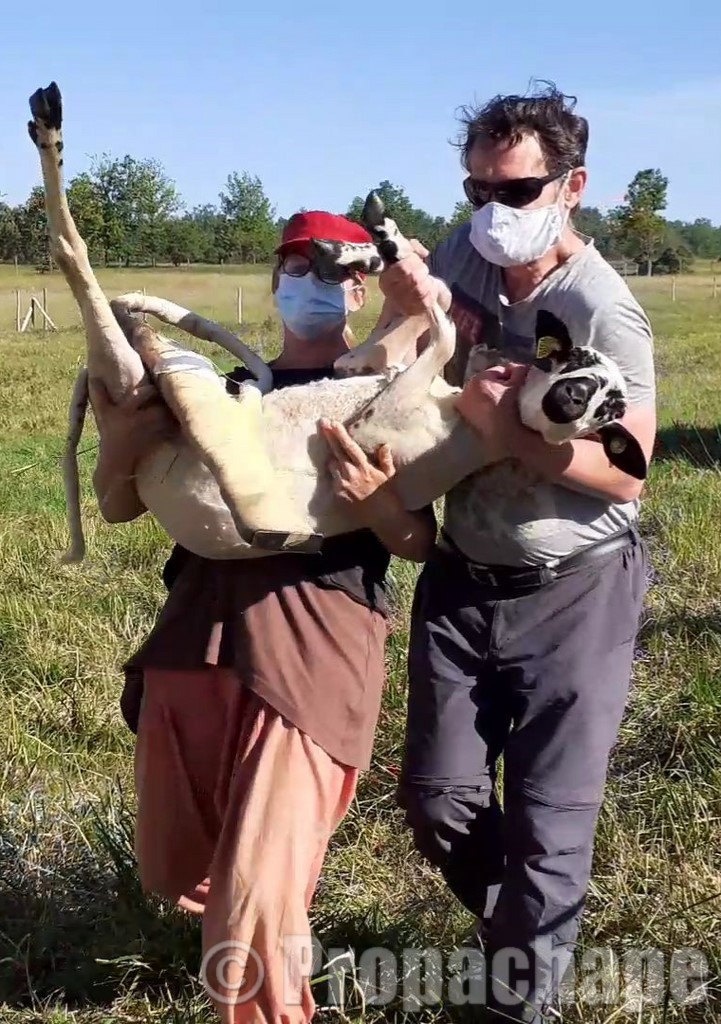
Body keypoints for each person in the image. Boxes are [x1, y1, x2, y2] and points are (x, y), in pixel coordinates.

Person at [88, 209, 437, 1024]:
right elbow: (115, 504)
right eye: (294, 268)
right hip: (197, 634)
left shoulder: (378, 397)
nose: (308, 285)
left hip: (314, 642)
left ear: (360, 290)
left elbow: (417, 542)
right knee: (174, 865)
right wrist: (122, 438)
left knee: (254, 896)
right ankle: (256, 920)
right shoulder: (216, 392)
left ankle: (266, 983)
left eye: (331, 271)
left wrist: (376, 502)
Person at [377, 83, 656, 1022]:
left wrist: (509, 438)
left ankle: (517, 997)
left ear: (571, 186)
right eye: (476, 189)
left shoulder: (600, 308)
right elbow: (425, 347)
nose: (491, 210)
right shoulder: (467, 252)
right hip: (462, 575)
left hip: (574, 591)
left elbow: (628, 471)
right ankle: (522, 934)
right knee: (435, 796)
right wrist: (412, 309)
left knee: (548, 824)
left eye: (515, 191)